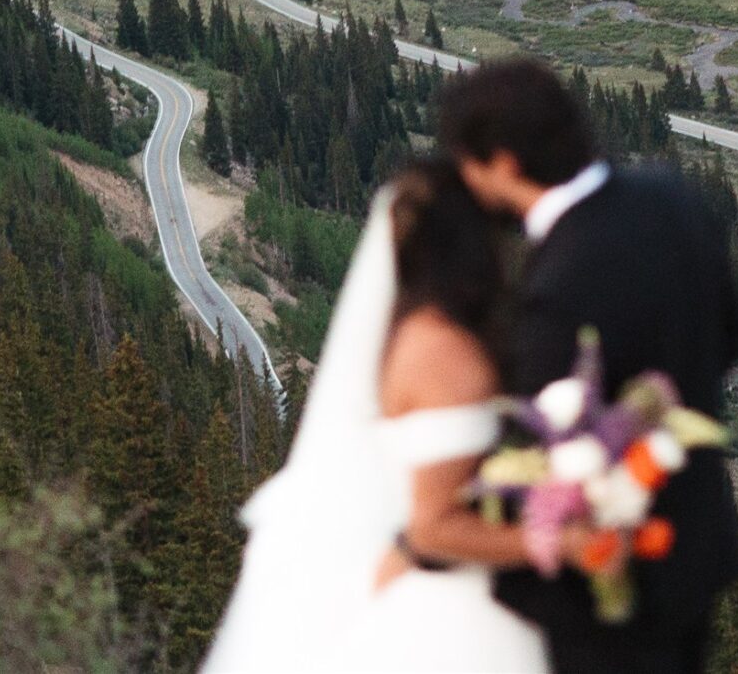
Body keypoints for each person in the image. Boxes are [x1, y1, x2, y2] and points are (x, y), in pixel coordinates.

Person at [438, 58, 738, 674]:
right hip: (698, 549)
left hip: (609, 591)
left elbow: (542, 455)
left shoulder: (557, 289)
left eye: (468, 166)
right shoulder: (670, 199)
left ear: (503, 163)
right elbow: (732, 336)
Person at [204, 157, 552, 673]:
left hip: (391, 560)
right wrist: (554, 540)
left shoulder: (398, 339)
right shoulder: (443, 354)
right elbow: (433, 526)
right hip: (436, 593)